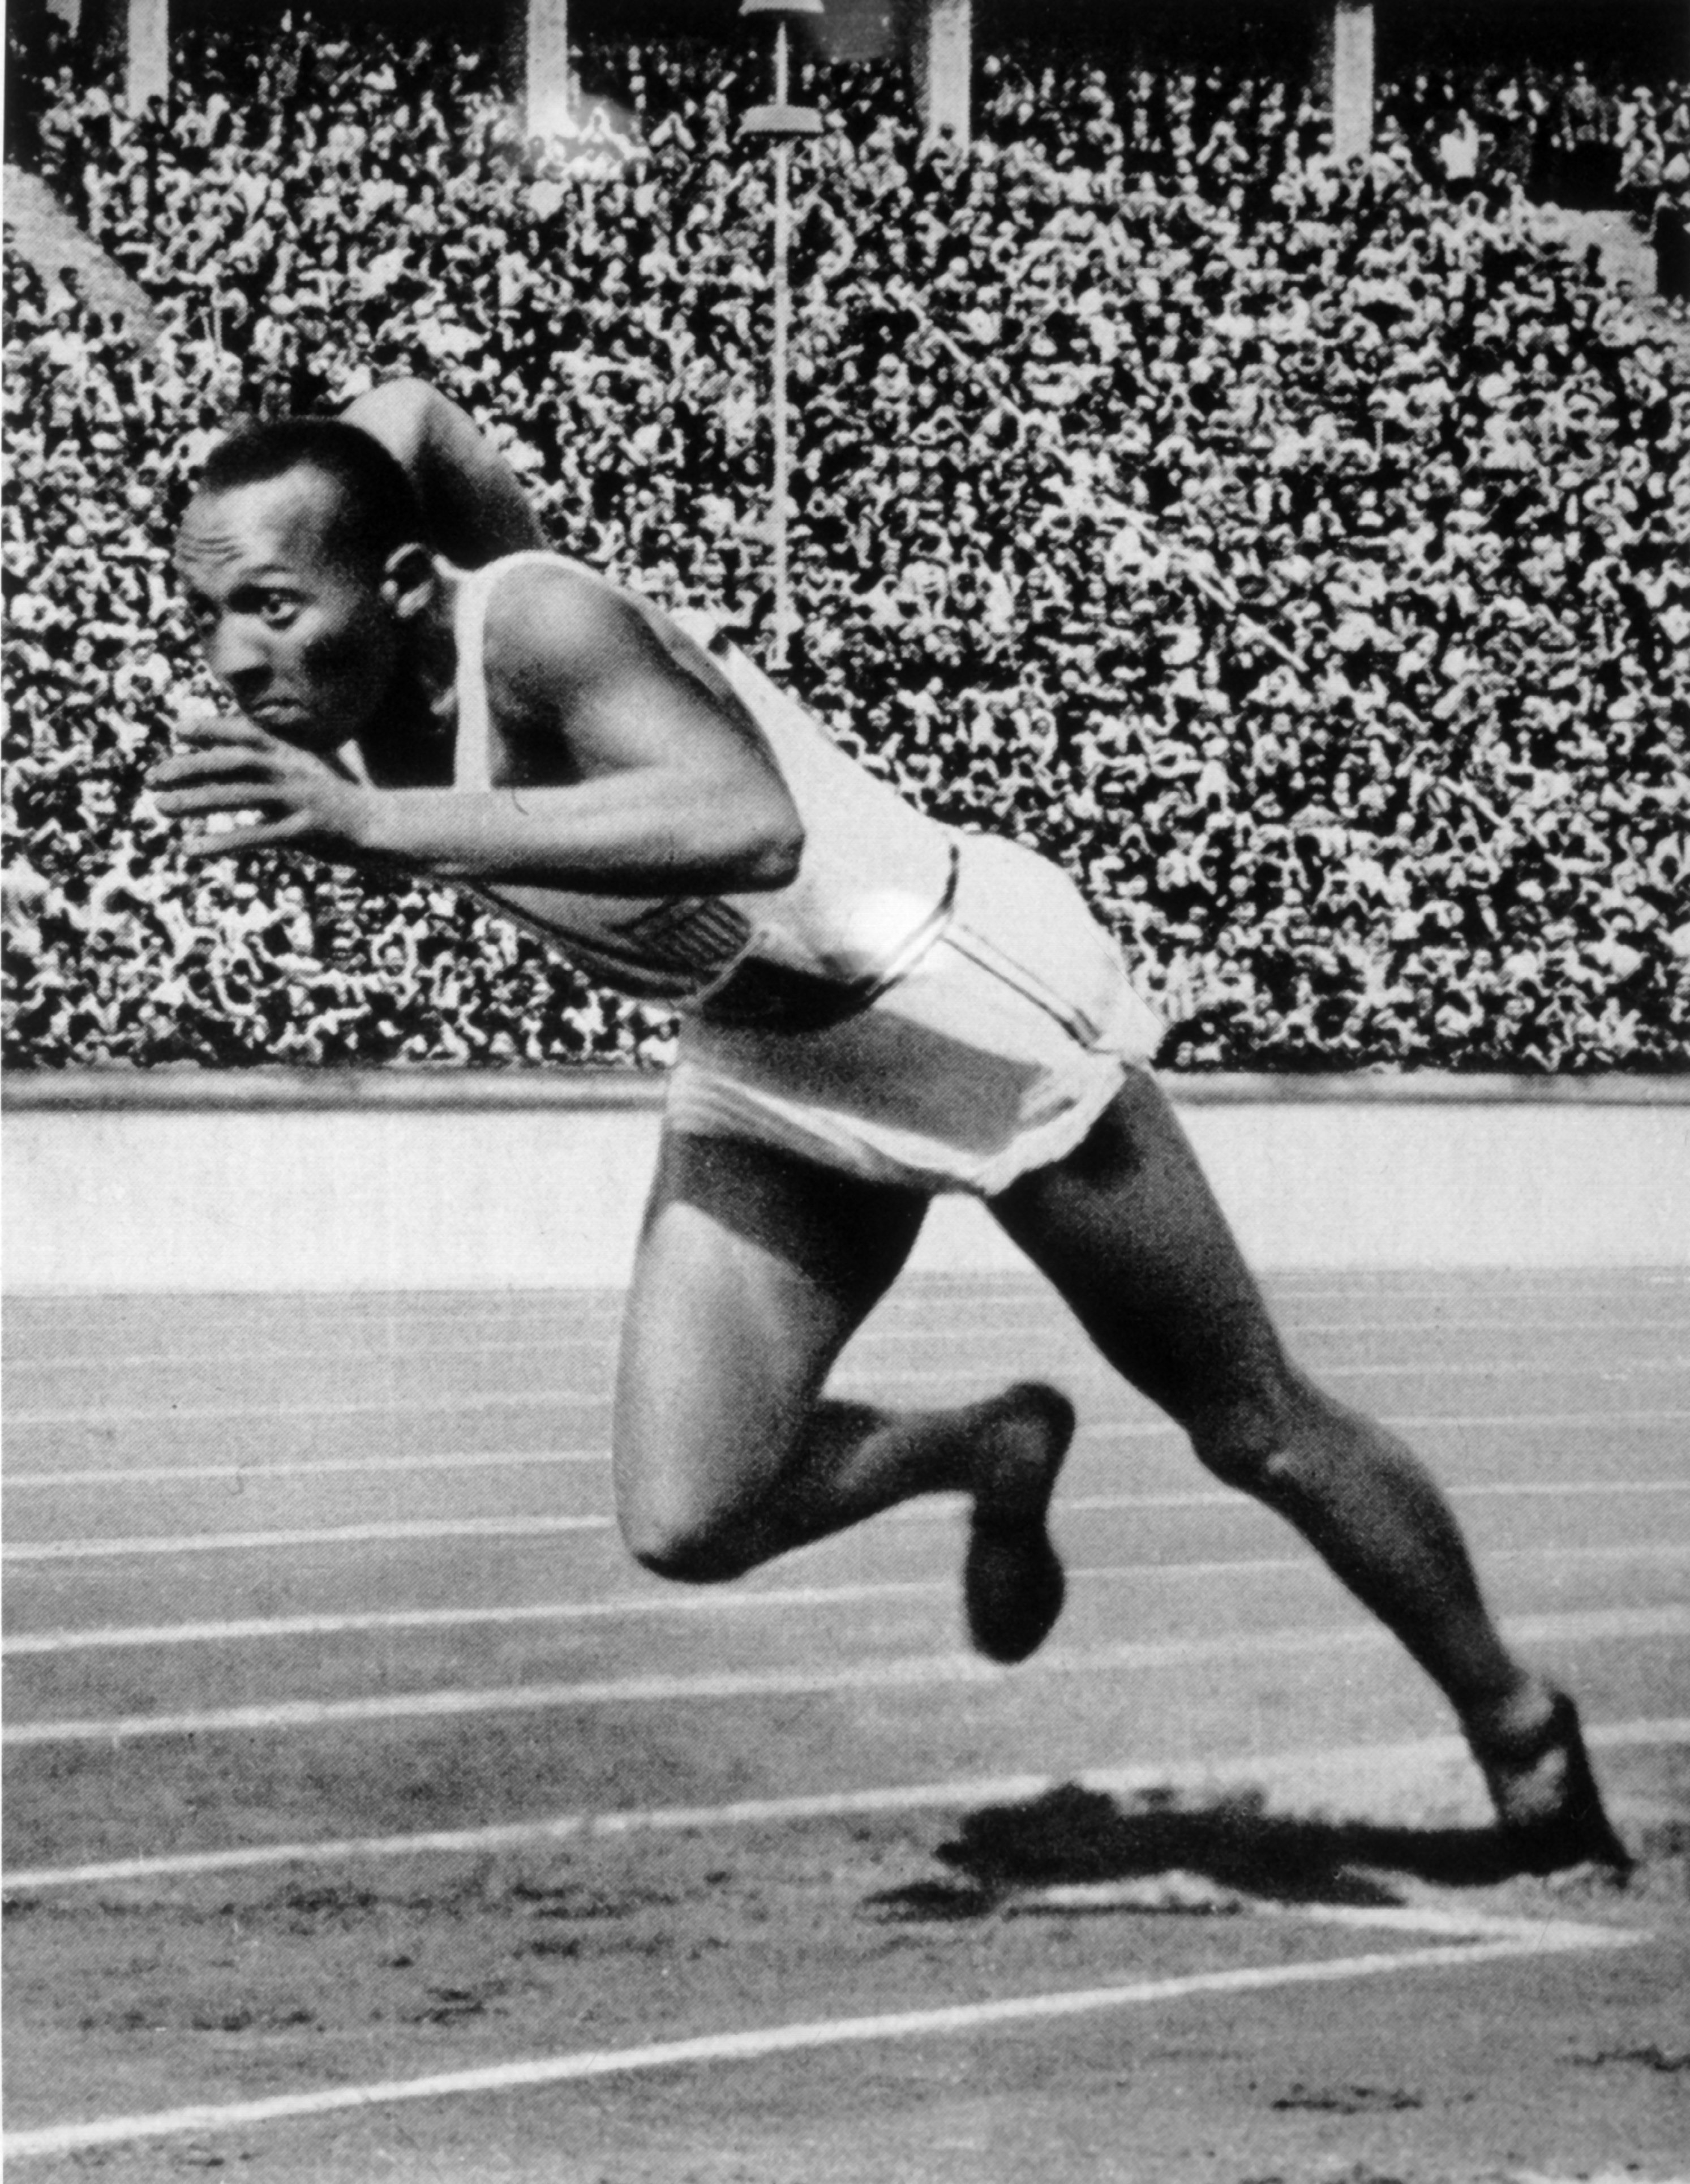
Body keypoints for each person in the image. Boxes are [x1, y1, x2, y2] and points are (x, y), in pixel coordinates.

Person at [149, 378, 1629, 1874]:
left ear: (401, 582)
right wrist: (330, 499)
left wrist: (385, 820)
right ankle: (981, 1445)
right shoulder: (352, 680)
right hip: (762, 1060)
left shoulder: (533, 622)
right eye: (210, 612)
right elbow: (399, 412)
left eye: (272, 604)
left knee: (1252, 1425)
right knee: (688, 1512)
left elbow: (750, 821)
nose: (236, 656)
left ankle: (1515, 1724)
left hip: (949, 1007)